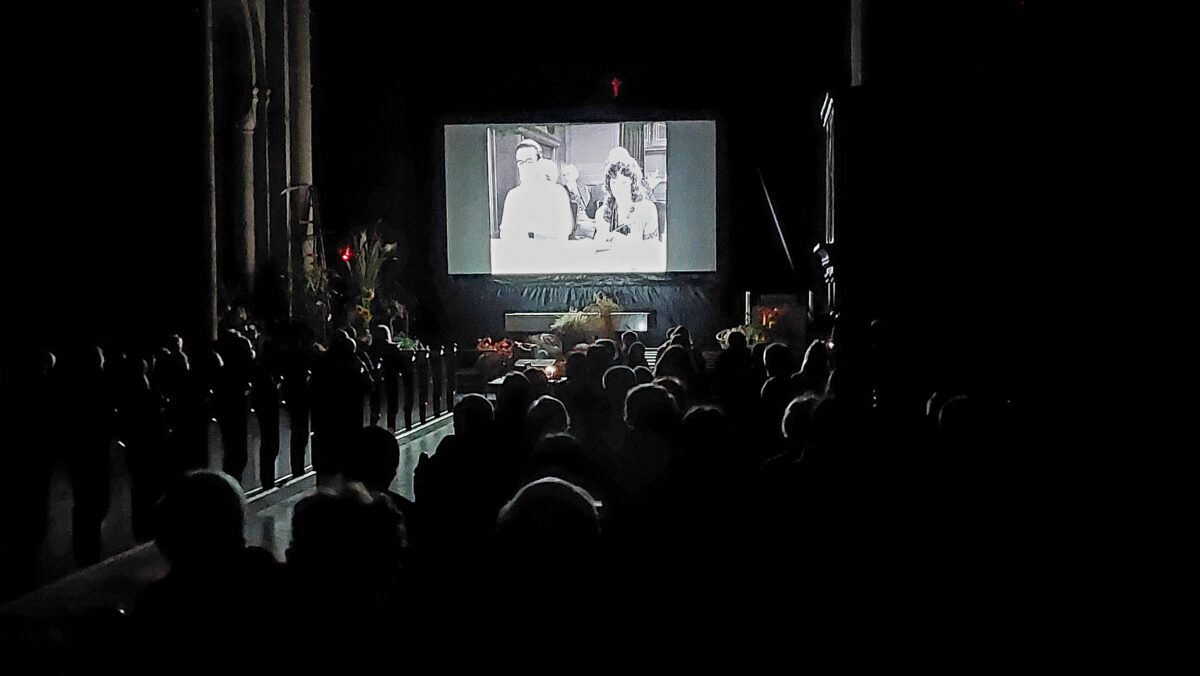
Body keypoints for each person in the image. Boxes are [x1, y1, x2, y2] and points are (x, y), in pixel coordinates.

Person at [498, 139, 572, 240]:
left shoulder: (558, 192)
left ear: (540, 162)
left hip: (551, 252)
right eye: (520, 163)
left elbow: (566, 228)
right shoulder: (513, 195)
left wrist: (532, 227)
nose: (525, 167)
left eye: (529, 161)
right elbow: (505, 232)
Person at [596, 150, 659, 244]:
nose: (618, 188)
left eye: (624, 182)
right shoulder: (601, 213)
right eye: (614, 182)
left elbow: (653, 249)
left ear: (633, 184)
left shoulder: (648, 209)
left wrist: (626, 244)